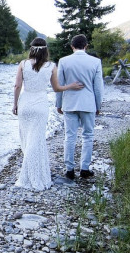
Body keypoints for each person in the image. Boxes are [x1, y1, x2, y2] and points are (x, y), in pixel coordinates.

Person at [12, 38, 84, 190]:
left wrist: (15, 104)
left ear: (31, 49)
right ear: (46, 50)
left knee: (27, 138)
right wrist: (70, 86)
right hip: (40, 105)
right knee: (36, 139)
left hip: (25, 104)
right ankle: (36, 174)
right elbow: (57, 88)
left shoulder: (23, 64)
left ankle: (28, 173)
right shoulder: (51, 66)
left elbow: (17, 86)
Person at [56, 34, 104, 180]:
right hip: (88, 104)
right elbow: (98, 88)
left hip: (69, 103)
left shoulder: (63, 61)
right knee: (88, 136)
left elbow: (59, 85)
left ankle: (69, 169)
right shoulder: (95, 62)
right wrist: (98, 105)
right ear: (86, 46)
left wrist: (58, 104)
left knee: (69, 136)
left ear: (72, 46)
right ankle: (84, 168)